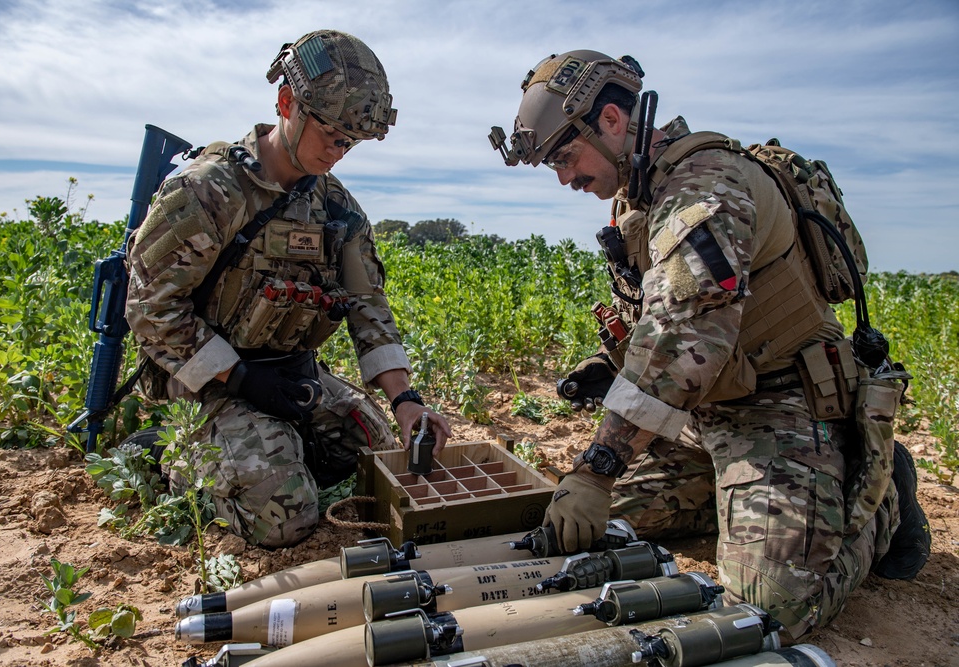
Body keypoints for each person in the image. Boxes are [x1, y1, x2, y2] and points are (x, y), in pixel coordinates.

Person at [490, 50, 929, 640]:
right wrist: (609, 363)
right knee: (583, 533)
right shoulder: (639, 194)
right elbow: (658, 324)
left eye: (566, 158)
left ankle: (877, 497)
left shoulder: (703, 186)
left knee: (770, 608)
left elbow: (687, 337)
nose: (566, 178)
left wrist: (597, 471)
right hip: (707, 415)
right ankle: (725, 494)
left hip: (786, 403)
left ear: (614, 121)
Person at [125, 29, 451, 548]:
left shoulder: (337, 207)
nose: (339, 152)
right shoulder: (208, 191)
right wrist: (241, 378)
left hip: (293, 375)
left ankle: (269, 448)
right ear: (286, 104)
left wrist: (405, 399)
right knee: (285, 521)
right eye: (331, 135)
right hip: (209, 384)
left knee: (376, 451)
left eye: (351, 142)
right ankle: (175, 455)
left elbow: (368, 306)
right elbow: (151, 309)